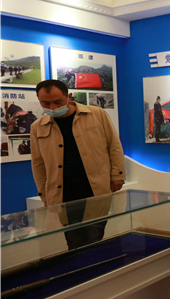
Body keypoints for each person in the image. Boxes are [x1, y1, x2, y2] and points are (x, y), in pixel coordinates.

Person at [30, 80, 125, 250]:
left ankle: (96, 265)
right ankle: (80, 265)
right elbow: (37, 163)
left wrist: (117, 175)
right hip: (63, 192)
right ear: (39, 100)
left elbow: (114, 146)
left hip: (94, 187)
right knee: (73, 239)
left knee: (94, 236)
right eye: (46, 103)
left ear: (69, 97)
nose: (52, 107)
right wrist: (44, 194)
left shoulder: (97, 114)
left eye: (58, 102)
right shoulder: (37, 127)